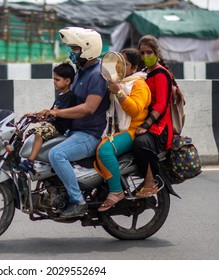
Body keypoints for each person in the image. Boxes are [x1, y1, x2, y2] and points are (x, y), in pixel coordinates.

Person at [37, 27, 109, 218]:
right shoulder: (80, 72)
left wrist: (56, 112)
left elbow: (88, 108)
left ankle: (78, 201)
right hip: (74, 132)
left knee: (56, 155)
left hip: (89, 134)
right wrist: (49, 113)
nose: (72, 53)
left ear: (88, 48)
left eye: (75, 49)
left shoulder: (97, 75)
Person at [94, 48, 151, 211]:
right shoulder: (120, 82)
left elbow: (135, 110)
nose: (120, 67)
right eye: (119, 63)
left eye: (125, 64)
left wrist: (118, 92)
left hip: (131, 131)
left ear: (134, 68)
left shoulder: (138, 84)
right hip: (115, 129)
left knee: (104, 151)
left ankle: (116, 191)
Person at [133, 35, 174, 198]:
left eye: (149, 52)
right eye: (142, 53)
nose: (145, 57)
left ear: (157, 52)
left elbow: (161, 104)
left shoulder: (161, 74)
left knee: (140, 143)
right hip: (145, 122)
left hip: (159, 126)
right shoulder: (143, 73)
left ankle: (150, 182)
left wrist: (146, 125)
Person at [19, 62, 76, 172]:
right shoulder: (60, 96)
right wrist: (36, 116)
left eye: (57, 79)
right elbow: (50, 113)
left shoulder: (70, 96)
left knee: (39, 134)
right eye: (54, 79)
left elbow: (57, 113)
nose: (54, 82)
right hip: (51, 125)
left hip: (58, 128)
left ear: (67, 81)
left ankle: (30, 161)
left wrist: (47, 114)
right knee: (29, 133)